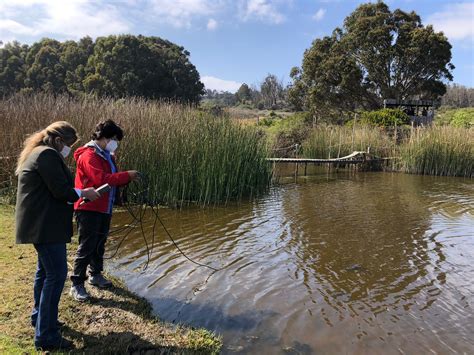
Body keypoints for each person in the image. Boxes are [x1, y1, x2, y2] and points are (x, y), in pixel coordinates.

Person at [15, 121, 100, 351]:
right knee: (56, 274)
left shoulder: (37, 153)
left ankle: (40, 319)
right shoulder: (47, 155)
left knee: (44, 272)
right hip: (45, 226)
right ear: (59, 140)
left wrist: (78, 193)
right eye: (69, 145)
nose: (69, 150)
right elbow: (61, 190)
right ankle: (47, 337)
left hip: (40, 225)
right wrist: (84, 192)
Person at [70, 119, 139, 302]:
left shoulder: (107, 155)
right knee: (87, 245)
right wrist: (127, 175)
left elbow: (110, 181)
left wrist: (121, 191)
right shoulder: (89, 155)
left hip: (104, 207)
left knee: (100, 242)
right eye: (114, 138)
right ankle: (76, 284)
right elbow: (101, 179)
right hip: (88, 207)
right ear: (105, 137)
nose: (115, 143)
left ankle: (95, 275)